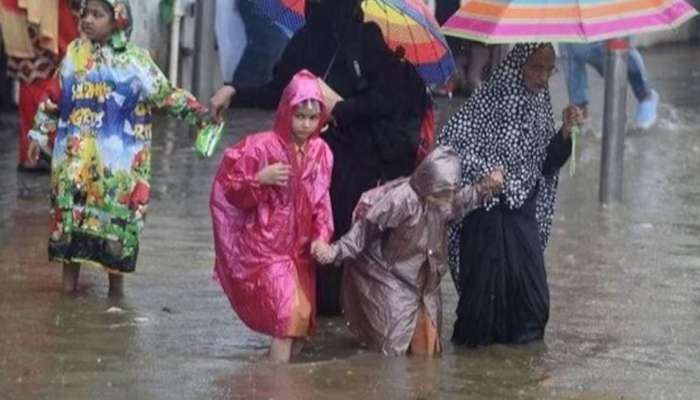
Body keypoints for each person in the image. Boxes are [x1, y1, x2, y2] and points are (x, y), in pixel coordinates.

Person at [209, 0, 431, 315]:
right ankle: (301, 318)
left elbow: (389, 102)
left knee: (335, 238)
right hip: (307, 162)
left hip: (354, 162)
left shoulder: (368, 39)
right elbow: (279, 92)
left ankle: (334, 319)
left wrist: (338, 107)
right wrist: (234, 92)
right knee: (299, 239)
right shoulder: (305, 39)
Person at [26, 0, 217, 296]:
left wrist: (200, 114)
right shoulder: (74, 54)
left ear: (118, 20)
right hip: (73, 166)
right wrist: (38, 134)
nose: (87, 20)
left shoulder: (136, 62)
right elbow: (54, 96)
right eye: (85, 13)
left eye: (97, 15)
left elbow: (167, 96)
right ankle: (67, 295)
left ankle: (115, 297)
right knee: (68, 234)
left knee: (115, 236)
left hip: (119, 170)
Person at [437, 43, 584, 346]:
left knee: (533, 306)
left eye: (549, 69)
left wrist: (566, 132)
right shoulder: (487, 100)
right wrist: (485, 174)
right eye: (536, 67)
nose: (543, 77)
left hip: (520, 215)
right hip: (485, 217)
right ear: (519, 65)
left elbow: (545, 164)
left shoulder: (540, 106)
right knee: (479, 314)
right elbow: (448, 146)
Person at [313, 146, 503, 356]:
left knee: (428, 351)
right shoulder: (402, 199)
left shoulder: (444, 202)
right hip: (392, 277)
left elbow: (462, 202)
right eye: (440, 194)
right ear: (427, 184)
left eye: (449, 194)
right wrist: (335, 251)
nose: (445, 201)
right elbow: (365, 228)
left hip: (426, 282)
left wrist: (485, 187)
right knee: (392, 350)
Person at [210, 70, 334, 363]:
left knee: (300, 326)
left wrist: (322, 237)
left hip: (301, 252)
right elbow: (229, 190)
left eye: (312, 117)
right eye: (299, 115)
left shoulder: (321, 152)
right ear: (286, 111)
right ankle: (278, 386)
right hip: (267, 248)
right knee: (286, 318)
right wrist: (259, 179)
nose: (305, 124)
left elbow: (321, 203)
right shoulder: (261, 147)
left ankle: (268, 379)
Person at [0, 0, 80, 171]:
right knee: (48, 71)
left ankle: (34, 152)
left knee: (33, 71)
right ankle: (43, 149)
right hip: (42, 10)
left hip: (28, 10)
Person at [559, 42, 659, 129]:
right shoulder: (567, 43)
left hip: (607, 40)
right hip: (578, 45)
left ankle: (646, 97)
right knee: (578, 105)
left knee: (625, 57)